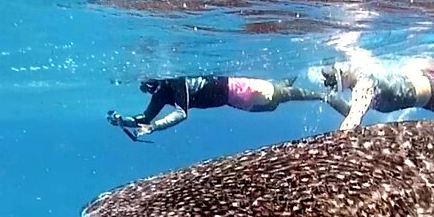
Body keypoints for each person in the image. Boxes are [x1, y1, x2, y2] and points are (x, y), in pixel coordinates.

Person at [106, 75, 342, 140]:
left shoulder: (175, 83)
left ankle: (324, 96)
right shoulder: (161, 94)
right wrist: (123, 121)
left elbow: (181, 113)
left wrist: (155, 127)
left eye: (150, 87)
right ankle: (283, 85)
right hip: (233, 101)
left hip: (238, 89)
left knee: (280, 96)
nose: (151, 92)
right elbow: (145, 117)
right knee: (272, 106)